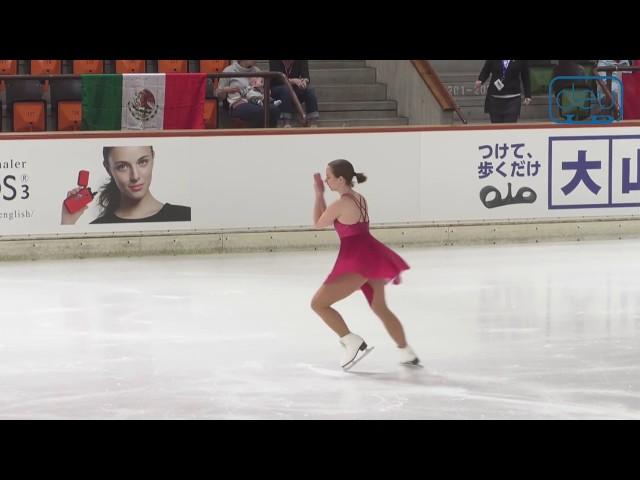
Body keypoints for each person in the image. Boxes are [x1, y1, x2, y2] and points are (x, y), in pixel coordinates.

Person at [311, 159, 419, 370]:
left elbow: (318, 223)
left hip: (356, 260)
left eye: (329, 177)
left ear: (341, 179)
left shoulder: (341, 204)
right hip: (372, 254)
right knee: (380, 307)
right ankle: (406, 351)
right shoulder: (359, 198)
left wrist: (318, 195)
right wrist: (323, 196)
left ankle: (350, 340)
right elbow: (327, 218)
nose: (326, 180)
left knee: (318, 304)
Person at [61, 145, 191, 224]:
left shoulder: (185, 215)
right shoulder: (97, 228)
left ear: (153, 158)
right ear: (108, 169)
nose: (135, 176)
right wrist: (68, 220)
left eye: (142, 162)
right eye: (122, 166)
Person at [216, 60, 287, 128]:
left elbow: (267, 91)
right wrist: (225, 90)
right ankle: (255, 136)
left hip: (258, 101)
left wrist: (261, 87)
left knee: (274, 109)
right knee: (260, 112)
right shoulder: (228, 70)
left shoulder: (257, 70)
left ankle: (271, 134)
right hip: (239, 103)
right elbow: (219, 95)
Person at [269, 60, 320, 127]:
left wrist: (303, 82)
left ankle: (313, 122)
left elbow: (306, 77)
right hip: (278, 88)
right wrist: (293, 81)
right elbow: (277, 79)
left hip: (295, 88)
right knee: (286, 89)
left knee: (309, 89)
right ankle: (286, 123)